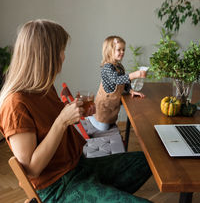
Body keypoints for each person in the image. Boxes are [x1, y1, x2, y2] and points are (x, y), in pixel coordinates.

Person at [0, 20, 152, 203]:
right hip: (58, 188)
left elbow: (52, 126)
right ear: (46, 55)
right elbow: (32, 169)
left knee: (147, 161)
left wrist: (75, 113)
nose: (64, 57)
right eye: (62, 50)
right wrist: (62, 121)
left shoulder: (44, 88)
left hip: (79, 166)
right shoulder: (15, 104)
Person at [89, 36, 147, 131]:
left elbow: (124, 82)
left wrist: (130, 90)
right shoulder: (107, 67)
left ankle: (100, 121)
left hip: (112, 106)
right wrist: (134, 74)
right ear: (109, 51)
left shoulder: (119, 66)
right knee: (104, 127)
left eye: (123, 49)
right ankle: (89, 118)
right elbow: (116, 79)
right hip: (104, 106)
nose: (122, 52)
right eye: (119, 49)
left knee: (110, 123)